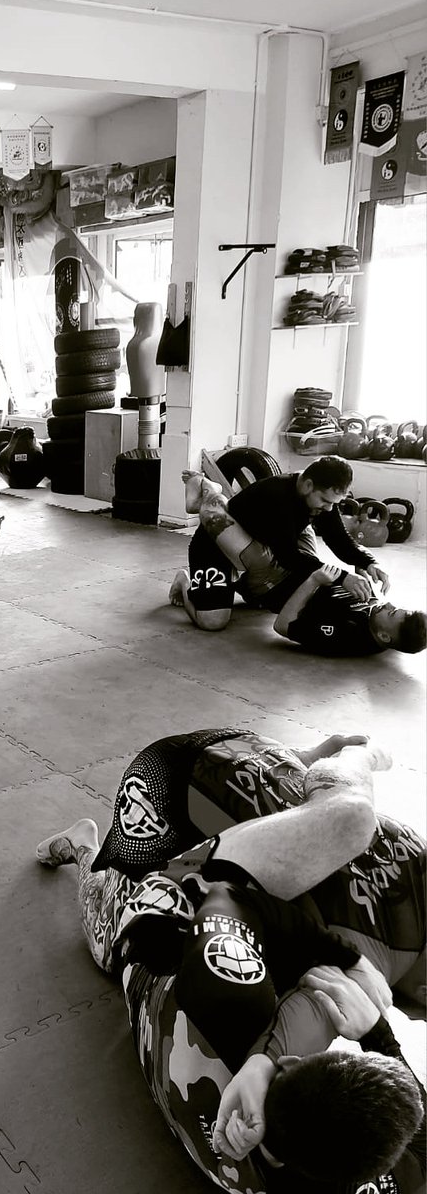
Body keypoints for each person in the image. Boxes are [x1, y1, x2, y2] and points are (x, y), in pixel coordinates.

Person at [37, 730, 425, 1192]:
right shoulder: (320, 1158)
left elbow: (225, 896)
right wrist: (380, 1039)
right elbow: (414, 1133)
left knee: (349, 822)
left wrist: (347, 974)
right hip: (236, 824)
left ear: (285, 1069)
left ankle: (88, 849)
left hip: (168, 812)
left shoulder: (234, 1006)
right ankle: (300, 765)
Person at [170, 466, 389, 631]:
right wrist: (343, 577)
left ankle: (234, 582)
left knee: (268, 594)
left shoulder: (318, 495)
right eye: (325, 500)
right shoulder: (277, 497)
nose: (329, 508)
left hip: (258, 550)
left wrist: (367, 562)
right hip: (216, 545)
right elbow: (289, 557)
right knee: (213, 621)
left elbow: (338, 538)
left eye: (334, 503)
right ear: (307, 485)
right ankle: (185, 580)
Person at [273, 564, 427, 656]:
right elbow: (406, 639)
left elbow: (282, 625)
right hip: (306, 566)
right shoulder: (383, 626)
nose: (388, 605)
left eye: (391, 613)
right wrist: (368, 564)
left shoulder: (344, 636)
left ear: (384, 636)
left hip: (276, 582)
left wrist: (314, 581)